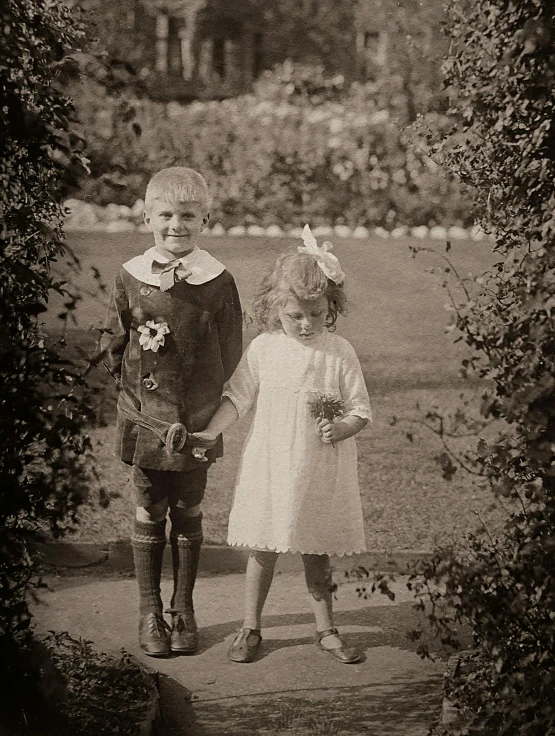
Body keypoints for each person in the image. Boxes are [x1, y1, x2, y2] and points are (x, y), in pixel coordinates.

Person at [191, 227, 371, 664]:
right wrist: (212, 431)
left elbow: (361, 409)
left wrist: (343, 427)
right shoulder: (264, 349)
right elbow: (238, 398)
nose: (306, 324)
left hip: (318, 466)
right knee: (263, 546)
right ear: (274, 309)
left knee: (316, 549)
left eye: (315, 313)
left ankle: (326, 629)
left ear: (331, 305)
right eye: (295, 315)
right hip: (271, 463)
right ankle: (250, 627)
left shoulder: (339, 351)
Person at [101, 166, 242, 658]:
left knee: (189, 508)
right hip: (148, 418)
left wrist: (204, 404)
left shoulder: (218, 281)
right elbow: (114, 343)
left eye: (188, 215)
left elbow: (230, 347)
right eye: (166, 214)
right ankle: (149, 610)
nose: (176, 224)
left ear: (205, 218)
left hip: (196, 421)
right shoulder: (131, 276)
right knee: (148, 507)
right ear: (147, 217)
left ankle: (184, 609)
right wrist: (136, 399)